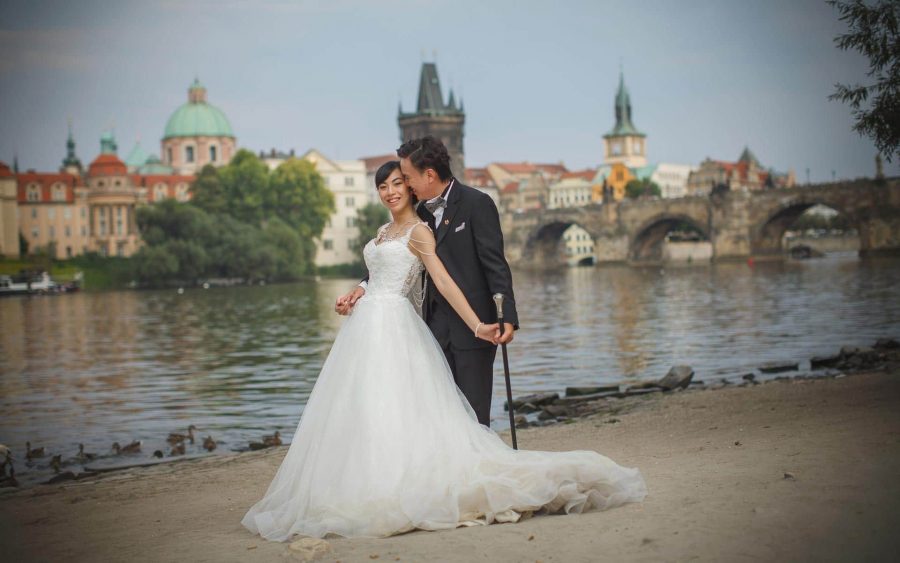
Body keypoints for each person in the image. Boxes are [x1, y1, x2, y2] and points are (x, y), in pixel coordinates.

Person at [241, 161, 647, 541]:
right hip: (365, 325)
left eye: (397, 184)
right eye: (382, 186)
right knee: (365, 405)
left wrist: (477, 324)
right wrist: (356, 293)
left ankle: (394, 486)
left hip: (396, 326)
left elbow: (445, 281)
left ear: (412, 187)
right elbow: (376, 275)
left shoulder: (420, 232)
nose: (389, 192)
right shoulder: (382, 233)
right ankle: (363, 479)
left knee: (396, 403)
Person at [336, 135, 515, 426]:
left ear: (428, 174)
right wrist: (361, 287)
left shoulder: (476, 204)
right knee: (436, 412)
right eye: (390, 184)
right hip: (430, 328)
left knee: (473, 412)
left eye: (405, 178)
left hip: (474, 324)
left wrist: (506, 314)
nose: (403, 186)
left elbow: (495, 265)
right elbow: (388, 264)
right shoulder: (415, 215)